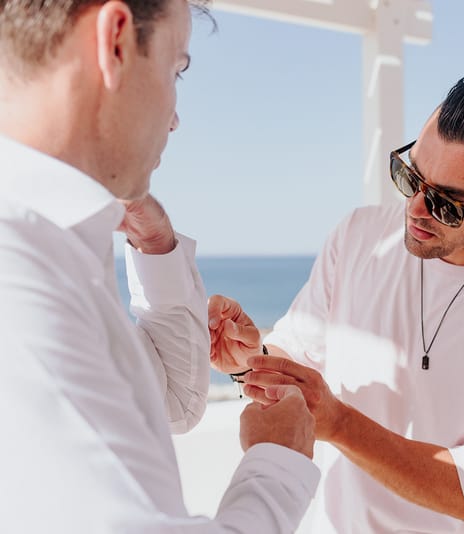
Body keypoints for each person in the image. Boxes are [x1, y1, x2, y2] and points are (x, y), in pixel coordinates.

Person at [208, 68, 464, 533]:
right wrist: (249, 359)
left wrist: (340, 424)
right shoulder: (359, 234)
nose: (415, 209)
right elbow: (299, 356)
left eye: (447, 203)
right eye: (410, 177)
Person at [0, 1, 318, 532]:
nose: (174, 119)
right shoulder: (21, 275)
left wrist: (158, 250)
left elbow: (173, 402)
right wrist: (279, 464)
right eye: (176, 70)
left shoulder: (52, 243)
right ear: (116, 41)